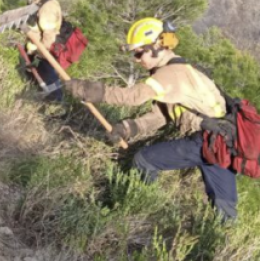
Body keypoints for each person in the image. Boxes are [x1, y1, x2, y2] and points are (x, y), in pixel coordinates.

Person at [65, 17, 239, 222]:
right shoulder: (186, 69)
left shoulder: (170, 74)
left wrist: (88, 90)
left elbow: (133, 97)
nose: (137, 60)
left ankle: (136, 213)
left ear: (157, 46)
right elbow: (162, 116)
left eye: (139, 53)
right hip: (224, 144)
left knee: (145, 160)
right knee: (225, 205)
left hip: (205, 141)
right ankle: (224, 233)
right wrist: (129, 128)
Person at [23, 0, 66, 100]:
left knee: (50, 85)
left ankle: (56, 106)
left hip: (45, 53)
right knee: (32, 81)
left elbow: (49, 36)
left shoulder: (48, 6)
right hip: (34, 50)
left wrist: (40, 56)